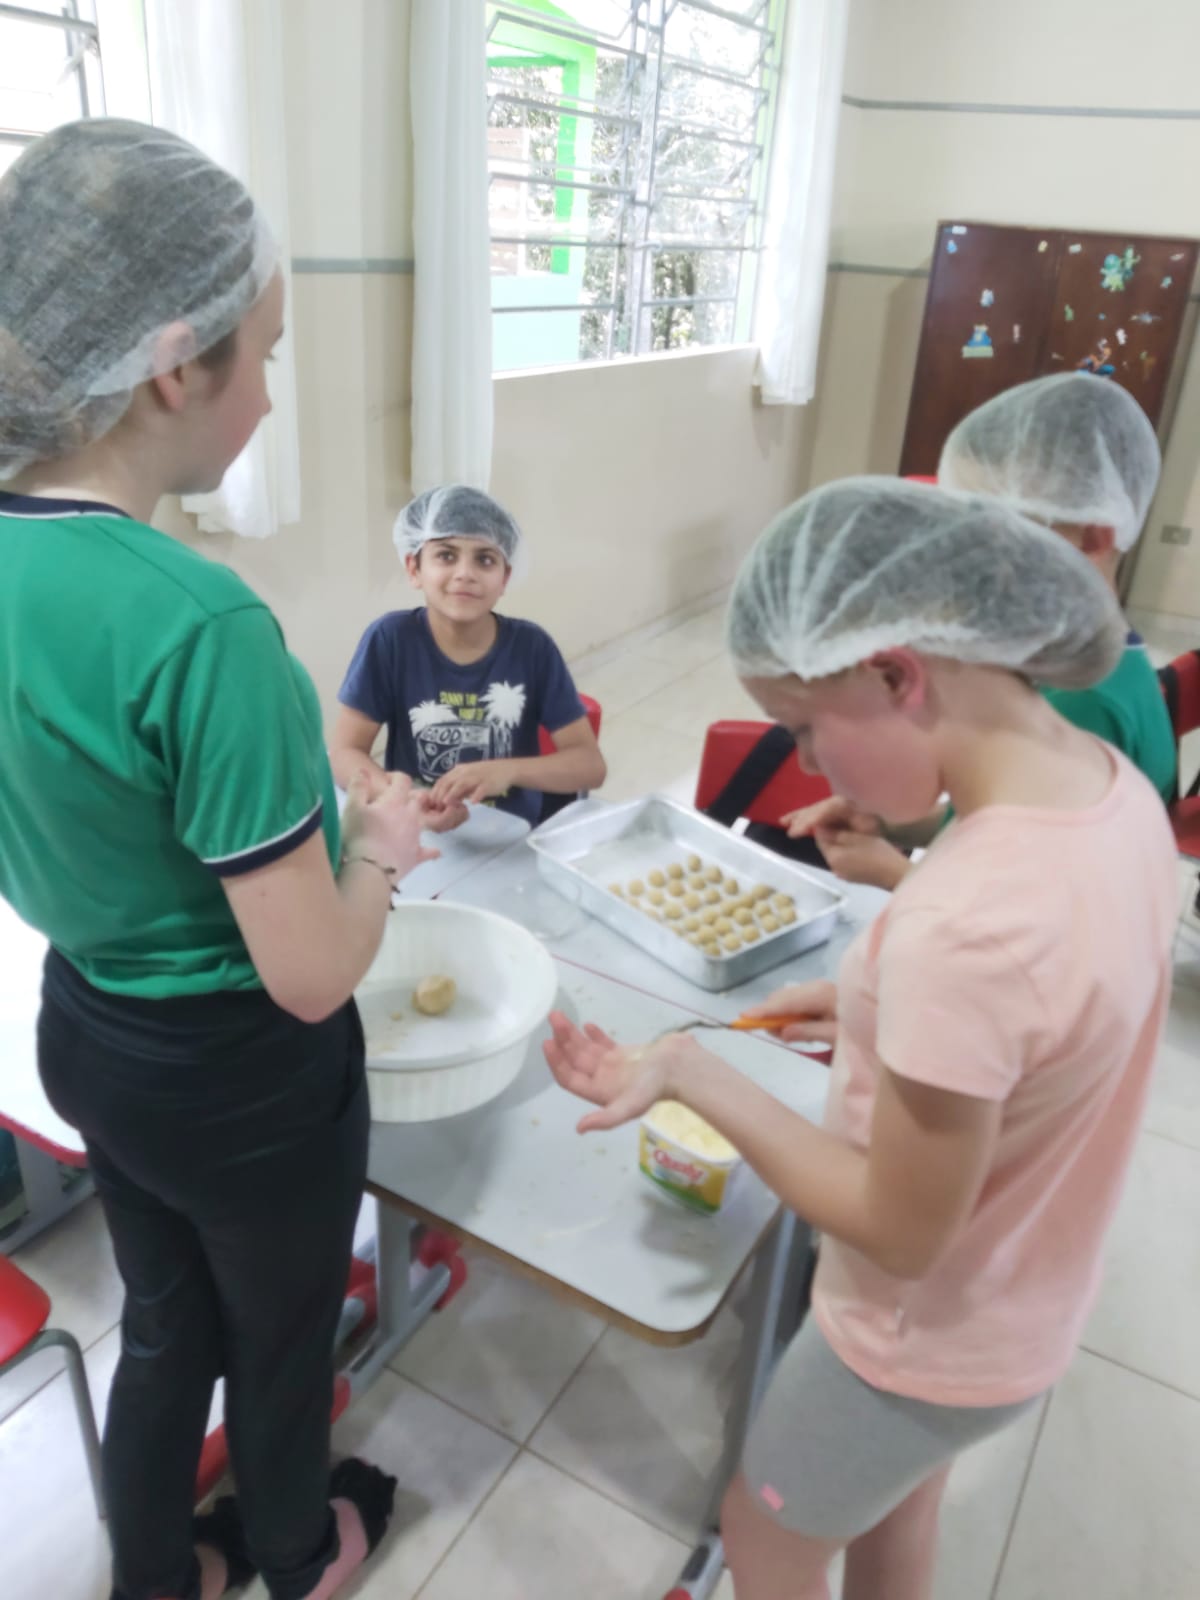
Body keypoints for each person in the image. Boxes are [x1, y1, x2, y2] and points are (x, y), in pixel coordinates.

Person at [543, 479, 1177, 1600]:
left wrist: (690, 1070)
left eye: (803, 728)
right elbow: (1043, 1032)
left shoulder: (965, 919)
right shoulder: (1115, 794)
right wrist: (875, 1009)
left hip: (914, 1342)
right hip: (1025, 1303)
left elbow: (898, 1224)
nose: (812, 767)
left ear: (896, 672)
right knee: (895, 1507)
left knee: (771, 1532)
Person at [0, 119, 438, 1600]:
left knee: (166, 1323)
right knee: (281, 1334)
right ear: (174, 366)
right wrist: (377, 849)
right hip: (239, 1077)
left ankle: (151, 1578)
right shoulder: (199, 623)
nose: (266, 395)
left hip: (90, 1033)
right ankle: (297, 1551)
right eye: (265, 354)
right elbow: (312, 974)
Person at [789, 373, 1176, 890]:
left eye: (998, 536)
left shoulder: (1082, 708)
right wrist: (890, 819)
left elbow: (1022, 916)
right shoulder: (1090, 664)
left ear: (1091, 536)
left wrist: (893, 874)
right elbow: (992, 820)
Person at [329, 486, 606, 827]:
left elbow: (590, 767)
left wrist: (506, 771)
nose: (465, 573)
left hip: (508, 832)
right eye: (446, 555)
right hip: (413, 827)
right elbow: (344, 753)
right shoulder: (390, 640)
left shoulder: (532, 648)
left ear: (505, 577)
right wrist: (402, 801)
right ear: (413, 568)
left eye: (485, 559)